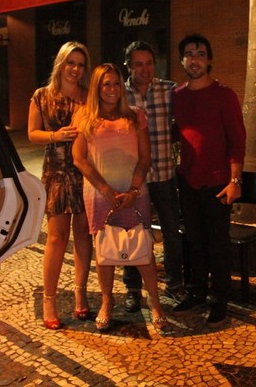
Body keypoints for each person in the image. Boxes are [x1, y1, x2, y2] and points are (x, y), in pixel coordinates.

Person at [72, 63, 167, 333]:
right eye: (105, 84)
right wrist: (107, 190)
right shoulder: (85, 118)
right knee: (105, 252)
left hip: (135, 193)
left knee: (143, 249)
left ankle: (155, 302)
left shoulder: (136, 116)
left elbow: (145, 158)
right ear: (97, 88)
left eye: (116, 83)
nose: (111, 89)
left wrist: (134, 190)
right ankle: (106, 301)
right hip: (100, 195)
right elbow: (79, 159)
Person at [171, 33, 246, 326]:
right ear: (182, 60)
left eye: (200, 53)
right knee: (193, 241)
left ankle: (220, 299)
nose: (194, 59)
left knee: (217, 244)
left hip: (218, 183)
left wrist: (235, 181)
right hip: (187, 180)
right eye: (189, 53)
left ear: (209, 60)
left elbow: (237, 140)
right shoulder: (176, 96)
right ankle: (196, 292)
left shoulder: (224, 95)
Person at [27, 41, 92, 330]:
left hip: (84, 171)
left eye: (80, 64)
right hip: (56, 172)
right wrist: (55, 135)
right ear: (61, 63)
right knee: (56, 237)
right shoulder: (43, 96)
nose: (75, 69)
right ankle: (50, 299)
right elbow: (31, 134)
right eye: (71, 62)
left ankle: (80, 292)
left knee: (82, 233)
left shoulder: (89, 97)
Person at [121, 41, 184, 313]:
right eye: (138, 64)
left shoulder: (169, 90)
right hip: (133, 178)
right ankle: (133, 289)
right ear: (128, 66)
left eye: (149, 63)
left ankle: (174, 284)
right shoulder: (118, 93)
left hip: (164, 173)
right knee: (133, 233)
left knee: (171, 230)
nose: (145, 70)